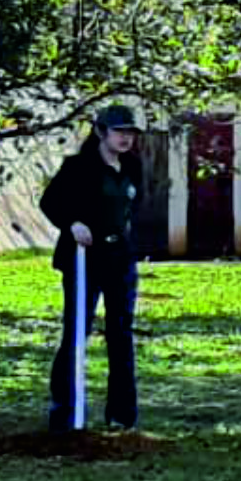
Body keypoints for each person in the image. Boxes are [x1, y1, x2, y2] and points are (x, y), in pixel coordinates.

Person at [40, 104, 143, 432]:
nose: (125, 138)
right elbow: (50, 202)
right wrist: (71, 224)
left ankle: (122, 415)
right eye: (119, 131)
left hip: (121, 260)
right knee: (76, 331)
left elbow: (132, 205)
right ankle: (64, 412)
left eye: (130, 132)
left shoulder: (133, 166)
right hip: (85, 259)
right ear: (101, 132)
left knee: (121, 333)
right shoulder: (78, 167)